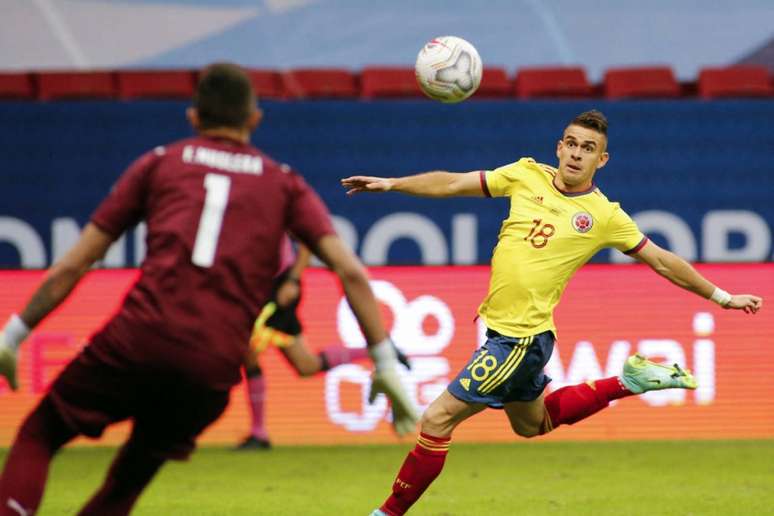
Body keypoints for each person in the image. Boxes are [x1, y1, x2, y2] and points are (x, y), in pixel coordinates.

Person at [0, 62, 417, 516]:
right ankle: (262, 426)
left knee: (40, 434)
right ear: (254, 119)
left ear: (193, 117)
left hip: (139, 338)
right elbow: (350, 271)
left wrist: (14, 334)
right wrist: (383, 360)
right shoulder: (284, 183)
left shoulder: (158, 163)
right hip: (211, 365)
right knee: (127, 481)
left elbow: (76, 263)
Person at [341, 109, 763, 516]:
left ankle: (387, 513)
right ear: (559, 148)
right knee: (532, 424)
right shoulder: (526, 174)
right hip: (514, 336)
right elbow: (452, 184)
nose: (578, 153)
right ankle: (629, 381)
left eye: (589, 148)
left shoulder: (603, 215)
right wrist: (393, 184)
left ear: (603, 159)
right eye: (572, 144)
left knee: (436, 419)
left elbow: (662, 260)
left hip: (520, 340)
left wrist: (722, 297)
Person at [237, 238, 410, 450]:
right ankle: (376, 350)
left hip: (278, 287)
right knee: (305, 365)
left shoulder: (276, 206)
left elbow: (305, 240)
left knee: (249, 352)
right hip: (255, 286)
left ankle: (258, 432)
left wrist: (293, 279)